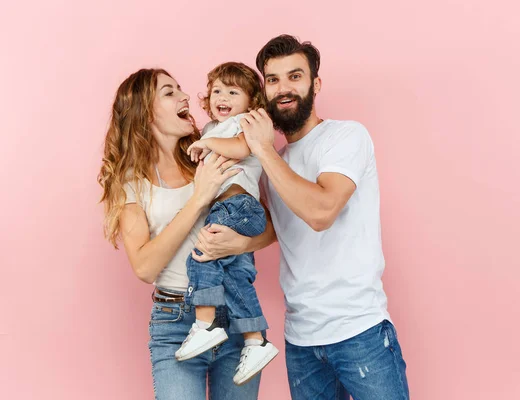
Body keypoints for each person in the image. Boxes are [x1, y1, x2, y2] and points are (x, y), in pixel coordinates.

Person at [232, 34, 409, 399]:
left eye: (295, 77)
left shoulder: (345, 137)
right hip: (301, 342)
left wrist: (263, 150)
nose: (284, 89)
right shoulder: (273, 164)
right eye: (274, 79)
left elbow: (320, 212)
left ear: (316, 84)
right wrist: (221, 244)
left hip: (359, 331)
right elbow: (276, 228)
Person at [98, 68, 275, 399]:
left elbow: (266, 226)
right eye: (169, 92)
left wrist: (240, 243)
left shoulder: (209, 152)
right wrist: (198, 199)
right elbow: (145, 267)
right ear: (143, 111)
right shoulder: (130, 183)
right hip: (175, 321)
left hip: (236, 315)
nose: (185, 97)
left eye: (180, 89)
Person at [175, 62, 278, 386]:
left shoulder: (244, 123)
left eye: (233, 91)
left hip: (240, 206)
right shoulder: (209, 130)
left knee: (203, 252)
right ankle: (256, 340)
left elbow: (241, 148)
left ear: (252, 102)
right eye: (217, 90)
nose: (222, 96)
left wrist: (207, 145)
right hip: (227, 208)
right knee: (235, 276)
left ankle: (206, 323)